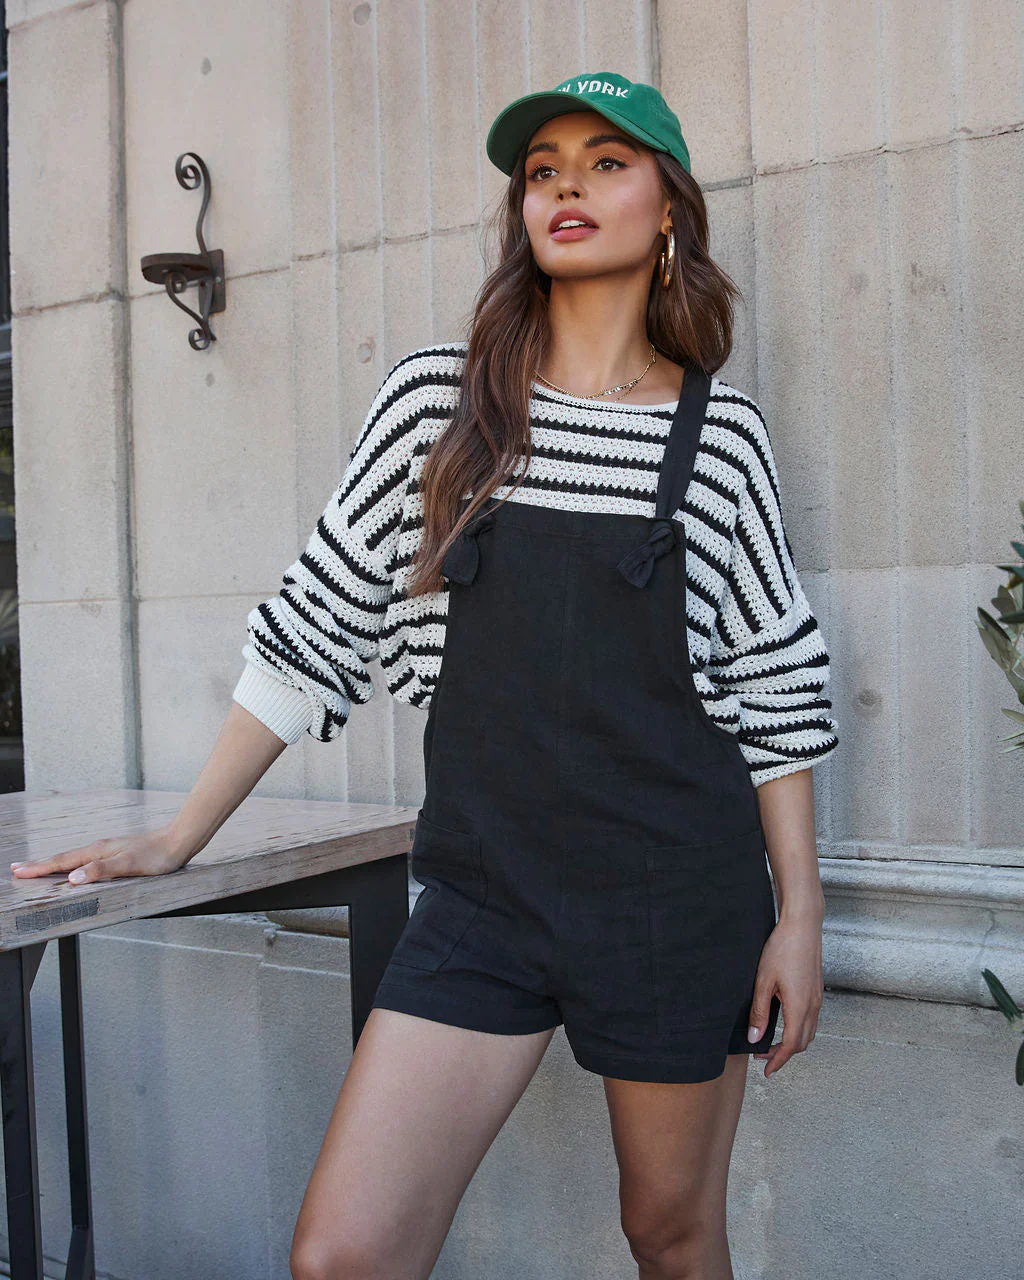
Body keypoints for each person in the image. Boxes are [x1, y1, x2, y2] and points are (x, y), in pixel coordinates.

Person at [12, 72, 839, 1280]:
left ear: (668, 207)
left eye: (606, 162)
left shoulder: (721, 439)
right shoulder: (437, 406)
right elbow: (316, 624)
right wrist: (180, 835)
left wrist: (801, 913)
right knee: (342, 1254)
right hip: (482, 894)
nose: (566, 185)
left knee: (668, 1236)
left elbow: (776, 682)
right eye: (543, 169)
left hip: (672, 898)